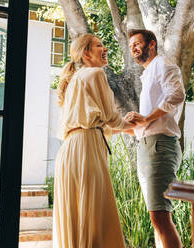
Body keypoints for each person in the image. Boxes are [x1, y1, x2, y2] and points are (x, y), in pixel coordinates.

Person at [53, 33, 134, 248]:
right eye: (99, 45)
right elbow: (111, 117)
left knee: (76, 214)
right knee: (95, 214)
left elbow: (95, 124)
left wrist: (124, 129)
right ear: (86, 53)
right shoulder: (96, 73)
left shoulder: (75, 80)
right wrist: (136, 124)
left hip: (70, 149)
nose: (104, 48)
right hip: (86, 149)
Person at [124, 29, 185, 248]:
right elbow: (144, 128)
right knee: (155, 218)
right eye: (131, 46)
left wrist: (146, 117)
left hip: (160, 146)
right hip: (148, 147)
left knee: (160, 217)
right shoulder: (147, 74)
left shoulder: (163, 65)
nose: (134, 48)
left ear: (152, 44)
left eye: (137, 43)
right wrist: (116, 127)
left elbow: (177, 95)